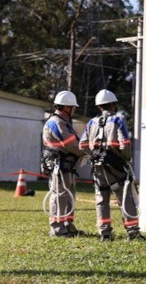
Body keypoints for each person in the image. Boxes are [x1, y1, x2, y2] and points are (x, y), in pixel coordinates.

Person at [79, 89, 144, 242]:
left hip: (98, 168)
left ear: (99, 106)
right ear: (113, 105)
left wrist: (94, 154)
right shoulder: (117, 121)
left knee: (101, 198)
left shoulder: (91, 122)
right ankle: (132, 232)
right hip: (115, 166)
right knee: (124, 197)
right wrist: (125, 159)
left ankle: (105, 234)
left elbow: (82, 145)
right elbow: (125, 144)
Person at [41, 90, 86, 238]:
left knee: (68, 195)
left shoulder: (64, 122)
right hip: (59, 167)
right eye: (73, 107)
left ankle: (67, 226)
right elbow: (71, 145)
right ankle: (57, 229)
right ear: (67, 107)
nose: (74, 110)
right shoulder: (57, 123)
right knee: (59, 196)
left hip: (66, 167)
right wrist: (86, 151)